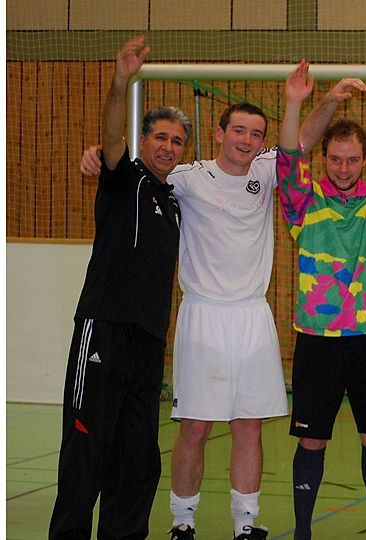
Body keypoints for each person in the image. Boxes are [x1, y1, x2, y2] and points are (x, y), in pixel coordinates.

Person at [79, 75, 366, 540]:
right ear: (219, 134)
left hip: (252, 315)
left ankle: (246, 523)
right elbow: (137, 168)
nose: (248, 140)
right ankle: (183, 520)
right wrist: (98, 156)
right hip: (202, 315)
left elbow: (304, 138)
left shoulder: (267, 168)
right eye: (239, 131)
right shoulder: (187, 178)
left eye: (256, 134)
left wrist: (330, 100)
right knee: (194, 426)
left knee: (248, 426)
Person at [49, 36, 192, 539]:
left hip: (149, 342)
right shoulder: (123, 177)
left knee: (138, 459)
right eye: (160, 137)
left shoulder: (175, 201)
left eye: (177, 141)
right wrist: (119, 81)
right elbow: (111, 136)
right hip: (104, 331)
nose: (168, 147)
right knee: (87, 449)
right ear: (144, 138)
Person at [277, 60, 366, 540]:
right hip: (318, 343)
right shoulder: (304, 202)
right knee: (313, 439)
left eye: (352, 159)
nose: (343, 168)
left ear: (365, 160)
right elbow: (286, 156)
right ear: (325, 160)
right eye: (335, 159)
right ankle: (302, 531)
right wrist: (299, 102)